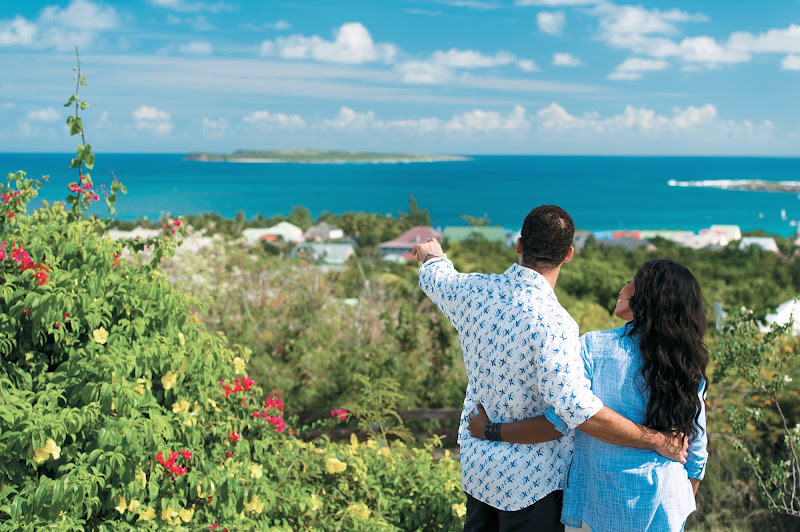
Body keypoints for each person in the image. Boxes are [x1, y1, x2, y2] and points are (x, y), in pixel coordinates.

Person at [413, 205, 687, 532]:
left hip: (479, 471)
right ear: (569, 254)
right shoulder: (556, 324)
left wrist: (433, 256)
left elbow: (437, 277)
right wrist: (654, 439)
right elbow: (577, 410)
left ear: (519, 245)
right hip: (533, 486)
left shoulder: (472, 292)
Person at [468, 259, 709, 531]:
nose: (623, 287)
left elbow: (556, 424)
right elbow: (697, 453)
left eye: (632, 280)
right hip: (667, 506)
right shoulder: (687, 364)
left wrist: (489, 430)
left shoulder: (593, 347)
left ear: (649, 296)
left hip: (600, 507)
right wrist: (678, 508)